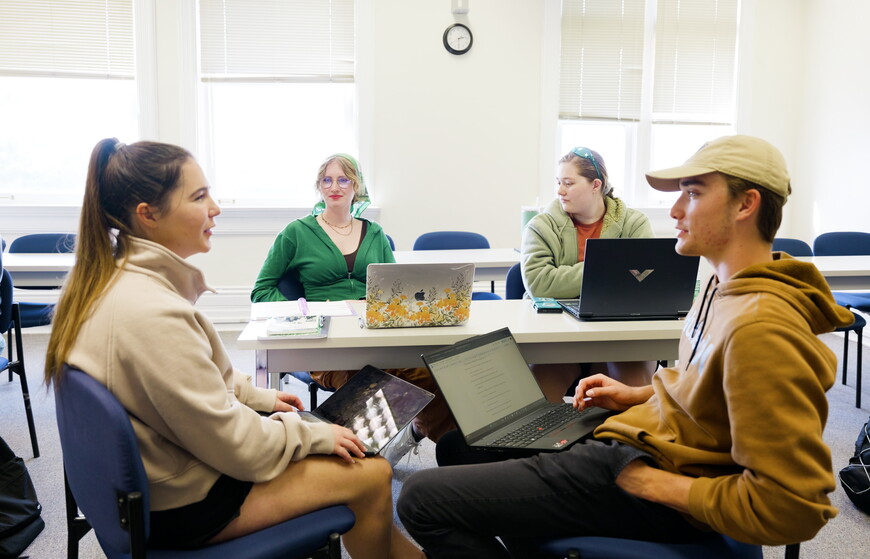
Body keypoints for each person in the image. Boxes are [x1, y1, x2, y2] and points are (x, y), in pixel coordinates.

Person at [397, 135, 853, 558]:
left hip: (658, 480)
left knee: (419, 500)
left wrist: (646, 482)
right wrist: (637, 395)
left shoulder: (762, 327)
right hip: (641, 438)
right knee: (459, 447)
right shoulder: (722, 284)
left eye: (692, 194)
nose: (674, 210)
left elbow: (793, 506)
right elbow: (709, 389)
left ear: (745, 205)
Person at [44, 139, 424, 559]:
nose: (216, 208)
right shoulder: (154, 313)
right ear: (148, 215)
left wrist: (257, 396)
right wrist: (310, 433)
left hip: (160, 478)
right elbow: (241, 450)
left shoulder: (107, 283)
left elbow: (189, 377)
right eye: (199, 196)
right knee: (372, 473)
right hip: (189, 504)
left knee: (340, 444)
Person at [251, 153, 456, 452]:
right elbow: (261, 291)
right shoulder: (296, 233)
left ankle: (456, 452)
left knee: (426, 374)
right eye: (327, 180)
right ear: (319, 186)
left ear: (356, 186)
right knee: (369, 380)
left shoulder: (374, 233)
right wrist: (307, 311)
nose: (335, 186)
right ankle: (367, 455)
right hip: (326, 347)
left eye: (343, 179)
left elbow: (395, 290)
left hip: (373, 333)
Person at [522, 147, 656, 400]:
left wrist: (570, 275)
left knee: (634, 398)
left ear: (596, 184)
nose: (560, 191)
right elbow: (540, 284)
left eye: (569, 183)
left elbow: (643, 284)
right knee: (535, 403)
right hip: (556, 338)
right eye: (558, 183)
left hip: (620, 337)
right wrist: (610, 268)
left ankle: (610, 439)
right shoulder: (540, 226)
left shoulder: (634, 223)